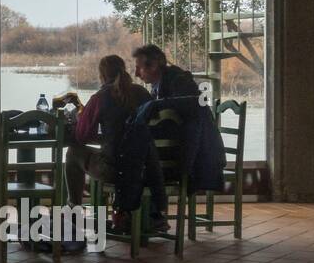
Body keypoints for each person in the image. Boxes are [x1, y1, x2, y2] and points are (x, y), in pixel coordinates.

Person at [64, 55, 167, 232]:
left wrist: (79, 119)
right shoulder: (143, 93)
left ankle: (74, 211)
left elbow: (82, 136)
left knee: (73, 152)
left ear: (102, 75)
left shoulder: (101, 97)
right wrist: (110, 138)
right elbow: (151, 130)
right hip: (148, 168)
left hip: (116, 170)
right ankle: (138, 216)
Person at [132, 43, 227, 197]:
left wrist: (154, 105)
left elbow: (196, 103)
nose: (136, 74)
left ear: (154, 65)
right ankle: (149, 218)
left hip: (193, 160)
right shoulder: (161, 84)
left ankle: (149, 217)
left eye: (139, 68)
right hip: (180, 154)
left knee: (136, 169)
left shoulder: (179, 81)